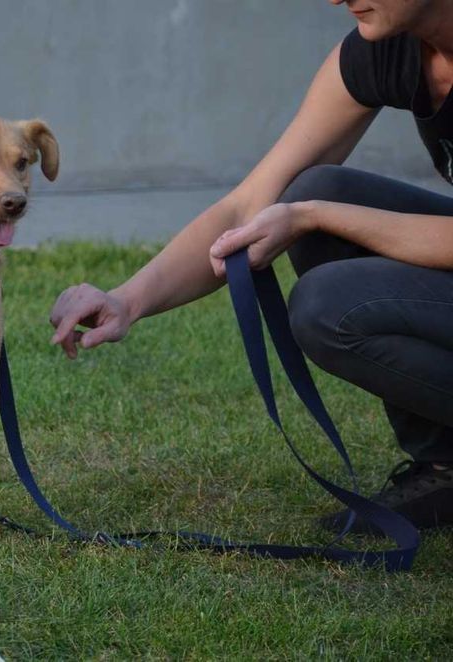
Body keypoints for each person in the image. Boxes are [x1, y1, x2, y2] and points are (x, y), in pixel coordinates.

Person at [49, 0, 453, 534]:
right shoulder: (385, 52)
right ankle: (446, 468)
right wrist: (127, 299)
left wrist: (312, 216)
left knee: (327, 299)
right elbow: (249, 205)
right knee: (312, 185)